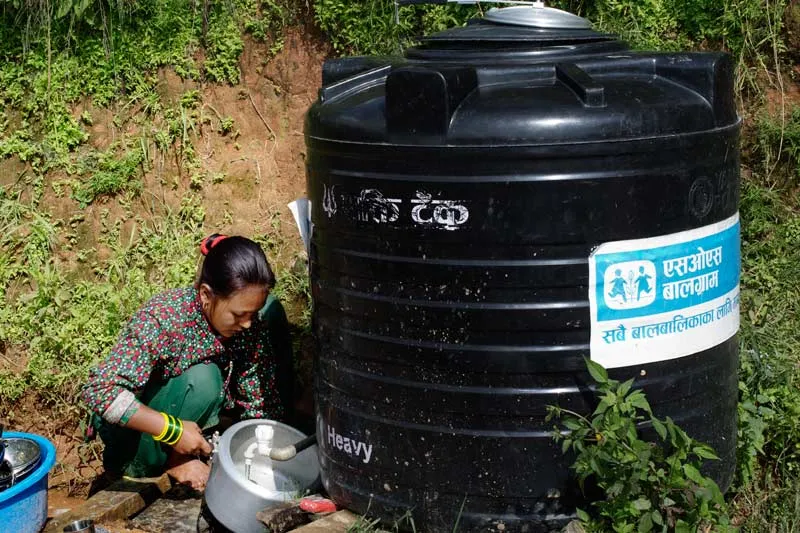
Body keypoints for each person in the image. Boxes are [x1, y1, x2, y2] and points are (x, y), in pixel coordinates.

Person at [81, 234, 295, 491]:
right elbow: (100, 391)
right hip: (136, 438)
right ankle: (158, 463)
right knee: (204, 380)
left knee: (274, 313)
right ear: (206, 294)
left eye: (253, 313)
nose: (248, 323)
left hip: (194, 426)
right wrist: (172, 432)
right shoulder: (164, 318)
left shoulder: (248, 327)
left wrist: (263, 456)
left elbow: (258, 401)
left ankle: (186, 453)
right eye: (239, 314)